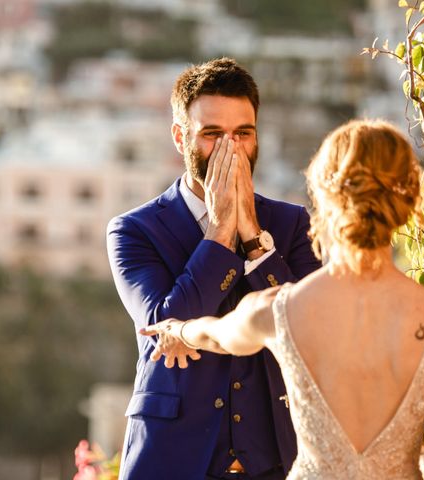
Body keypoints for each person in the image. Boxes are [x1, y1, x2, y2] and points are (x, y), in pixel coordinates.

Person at [142, 119, 424, 479]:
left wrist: (176, 328)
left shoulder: (280, 309)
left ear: (324, 195)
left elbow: (215, 335)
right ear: (409, 196)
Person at [106, 57, 321, 480]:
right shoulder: (133, 230)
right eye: (212, 135)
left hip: (280, 457)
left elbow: (307, 326)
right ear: (179, 137)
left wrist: (254, 236)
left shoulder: (293, 224)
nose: (230, 149)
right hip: (173, 459)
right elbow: (164, 323)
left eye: (243, 133)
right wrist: (223, 229)